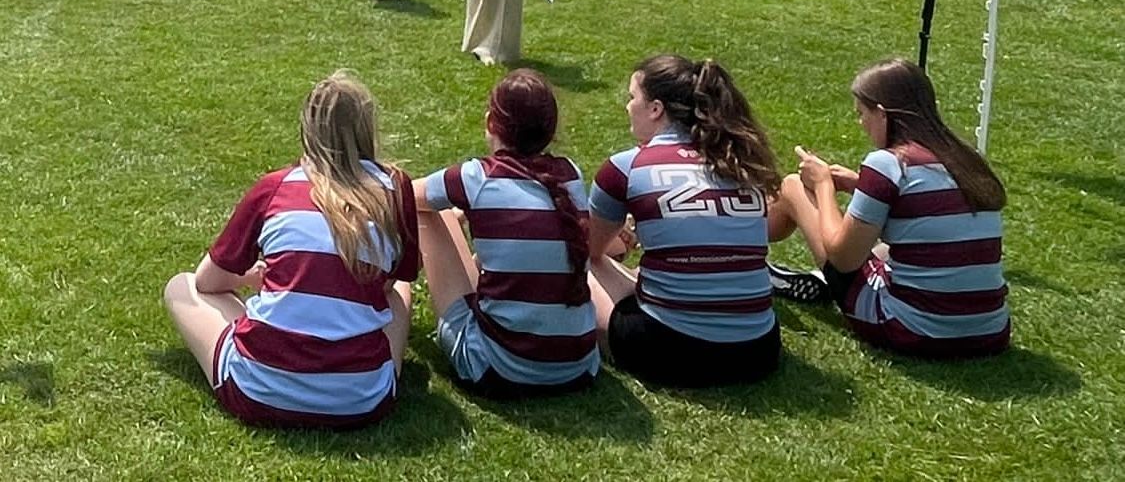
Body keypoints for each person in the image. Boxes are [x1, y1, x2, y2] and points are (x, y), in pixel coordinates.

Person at [163, 71, 417, 429]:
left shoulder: (276, 187)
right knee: (400, 291)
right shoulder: (394, 187)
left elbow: (207, 281)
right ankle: (362, 374)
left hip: (258, 391)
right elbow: (390, 284)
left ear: (306, 130)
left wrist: (254, 279)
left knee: (181, 286)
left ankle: (269, 350)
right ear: (367, 128)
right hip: (361, 400)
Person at [768, 58, 1011, 358]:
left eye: (862, 114)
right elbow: (923, 211)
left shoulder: (888, 163)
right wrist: (860, 185)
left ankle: (742, 261)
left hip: (911, 329)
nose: (861, 123)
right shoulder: (967, 159)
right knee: (887, 248)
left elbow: (842, 258)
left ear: (882, 114)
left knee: (793, 186)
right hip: (989, 332)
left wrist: (823, 186)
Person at [586, 54, 782, 388]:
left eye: (633, 98)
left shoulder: (626, 166)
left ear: (656, 109)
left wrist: (623, 233)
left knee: (577, 263)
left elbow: (589, 248)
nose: (627, 107)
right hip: (760, 349)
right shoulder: (739, 162)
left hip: (671, 351)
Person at [414, 69, 599, 397]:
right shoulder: (570, 174)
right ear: (551, 129)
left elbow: (404, 195)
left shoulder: (476, 177)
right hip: (579, 365)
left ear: (490, 122)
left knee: (429, 212)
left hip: (499, 369)